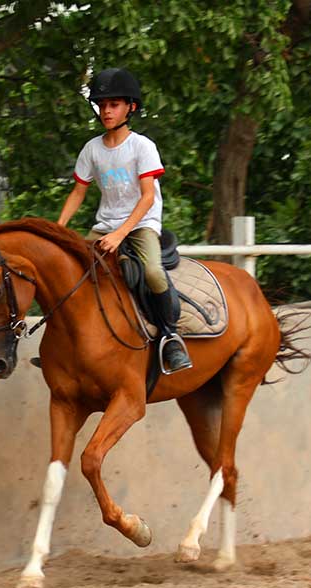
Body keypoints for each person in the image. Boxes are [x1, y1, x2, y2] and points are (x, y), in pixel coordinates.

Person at [57, 67, 192, 374]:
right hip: (104, 225)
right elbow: (79, 192)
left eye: (114, 104)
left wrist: (120, 234)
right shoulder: (92, 149)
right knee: (68, 272)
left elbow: (147, 197)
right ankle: (66, 341)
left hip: (141, 224)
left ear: (130, 107)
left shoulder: (141, 147)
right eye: (102, 105)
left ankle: (170, 337)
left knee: (154, 273)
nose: (106, 110)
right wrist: (59, 228)